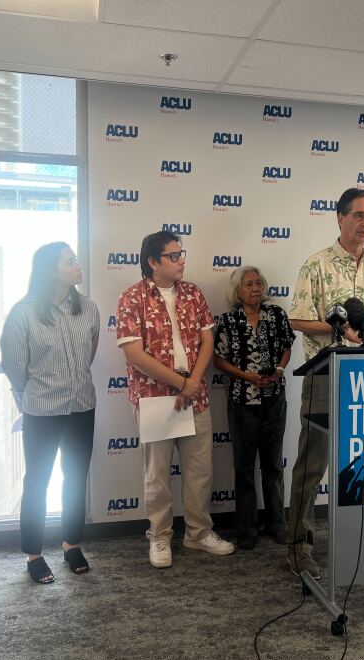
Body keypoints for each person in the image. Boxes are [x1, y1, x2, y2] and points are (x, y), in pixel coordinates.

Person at [286, 187, 364, 578]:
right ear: (340, 218)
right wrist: (339, 328)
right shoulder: (316, 265)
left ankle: (363, 539)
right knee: (312, 465)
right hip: (324, 373)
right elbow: (298, 319)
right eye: (359, 216)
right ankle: (298, 547)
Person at [117, 231, 236, 568]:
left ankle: (198, 533)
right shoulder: (131, 298)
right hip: (155, 398)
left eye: (181, 254)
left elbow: (207, 341)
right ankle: (159, 536)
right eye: (173, 255)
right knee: (156, 474)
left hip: (194, 395)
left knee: (200, 471)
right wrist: (179, 383)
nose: (181, 260)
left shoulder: (194, 294)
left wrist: (193, 382)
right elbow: (134, 353)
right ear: (153, 262)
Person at [0, 242, 100, 584]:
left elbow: (90, 354)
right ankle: (34, 553)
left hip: (82, 407)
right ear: (50, 271)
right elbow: (15, 369)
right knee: (37, 482)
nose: (78, 265)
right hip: (42, 411)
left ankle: (72, 544)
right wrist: (32, 399)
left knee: (75, 479)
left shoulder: (88, 308)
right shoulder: (23, 313)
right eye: (70, 261)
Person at [213, 266, 294, 550]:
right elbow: (218, 360)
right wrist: (247, 376)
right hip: (241, 401)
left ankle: (278, 524)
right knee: (244, 468)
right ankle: (246, 529)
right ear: (237, 291)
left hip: (274, 400)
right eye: (248, 284)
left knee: (273, 465)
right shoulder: (227, 320)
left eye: (259, 283)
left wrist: (280, 368)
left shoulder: (277, 315)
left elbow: (287, 345)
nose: (255, 288)